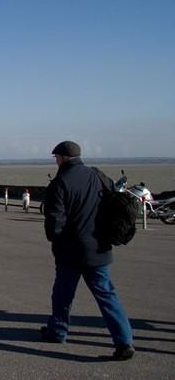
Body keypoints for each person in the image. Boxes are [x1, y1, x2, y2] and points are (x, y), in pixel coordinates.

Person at [41, 140, 135, 360]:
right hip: (99, 248)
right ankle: (124, 341)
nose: (56, 161)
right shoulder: (98, 175)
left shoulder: (60, 183)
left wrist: (54, 238)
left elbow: (55, 222)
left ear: (62, 158)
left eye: (56, 158)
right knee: (107, 295)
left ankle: (58, 331)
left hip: (70, 251)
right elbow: (115, 201)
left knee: (63, 294)